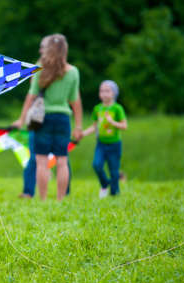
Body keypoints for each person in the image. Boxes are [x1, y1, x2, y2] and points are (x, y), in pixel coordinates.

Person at [13, 34, 83, 201]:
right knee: (62, 161)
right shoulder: (73, 72)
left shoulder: (40, 67)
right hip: (63, 119)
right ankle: (60, 199)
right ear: (65, 50)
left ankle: (43, 199)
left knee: (42, 161)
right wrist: (78, 126)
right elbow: (75, 100)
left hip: (42, 119)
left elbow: (31, 96)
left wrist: (21, 119)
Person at [83, 80, 127, 198]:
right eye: (102, 91)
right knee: (96, 165)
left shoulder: (117, 109)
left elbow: (124, 126)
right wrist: (83, 133)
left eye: (107, 90)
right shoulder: (98, 109)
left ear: (114, 93)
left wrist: (112, 122)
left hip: (114, 144)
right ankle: (105, 183)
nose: (104, 93)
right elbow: (94, 126)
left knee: (114, 170)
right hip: (101, 144)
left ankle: (114, 194)